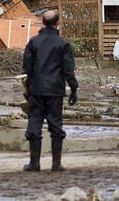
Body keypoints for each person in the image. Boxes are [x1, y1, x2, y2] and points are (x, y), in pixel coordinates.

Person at [22, 9, 78, 172]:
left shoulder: (33, 42)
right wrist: (73, 89)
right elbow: (68, 70)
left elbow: (27, 68)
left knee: (34, 124)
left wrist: (29, 88)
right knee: (55, 125)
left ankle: (34, 163)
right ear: (57, 24)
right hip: (55, 91)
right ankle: (56, 163)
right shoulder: (63, 44)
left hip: (37, 90)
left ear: (42, 22)